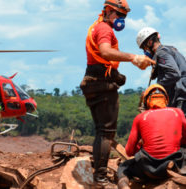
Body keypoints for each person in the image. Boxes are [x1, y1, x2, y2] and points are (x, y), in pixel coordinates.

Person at [79, 0, 155, 186]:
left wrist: (116, 75)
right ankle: (101, 178)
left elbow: (99, 61)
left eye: (124, 16)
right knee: (106, 133)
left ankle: (99, 169)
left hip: (93, 80)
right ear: (109, 11)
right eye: (120, 15)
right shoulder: (105, 29)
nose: (122, 20)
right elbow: (105, 51)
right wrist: (133, 57)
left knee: (101, 132)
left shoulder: (96, 27)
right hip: (102, 86)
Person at [117, 84, 186, 189]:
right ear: (166, 99)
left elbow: (129, 151)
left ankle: (124, 186)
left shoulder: (140, 118)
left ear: (146, 101)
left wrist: (141, 146)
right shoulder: (178, 112)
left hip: (148, 168)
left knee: (123, 167)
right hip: (175, 165)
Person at [136, 27, 186, 116]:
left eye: (144, 48)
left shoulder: (161, 53)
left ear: (150, 42)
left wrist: (155, 88)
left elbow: (174, 73)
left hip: (181, 99)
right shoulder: (171, 49)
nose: (145, 52)